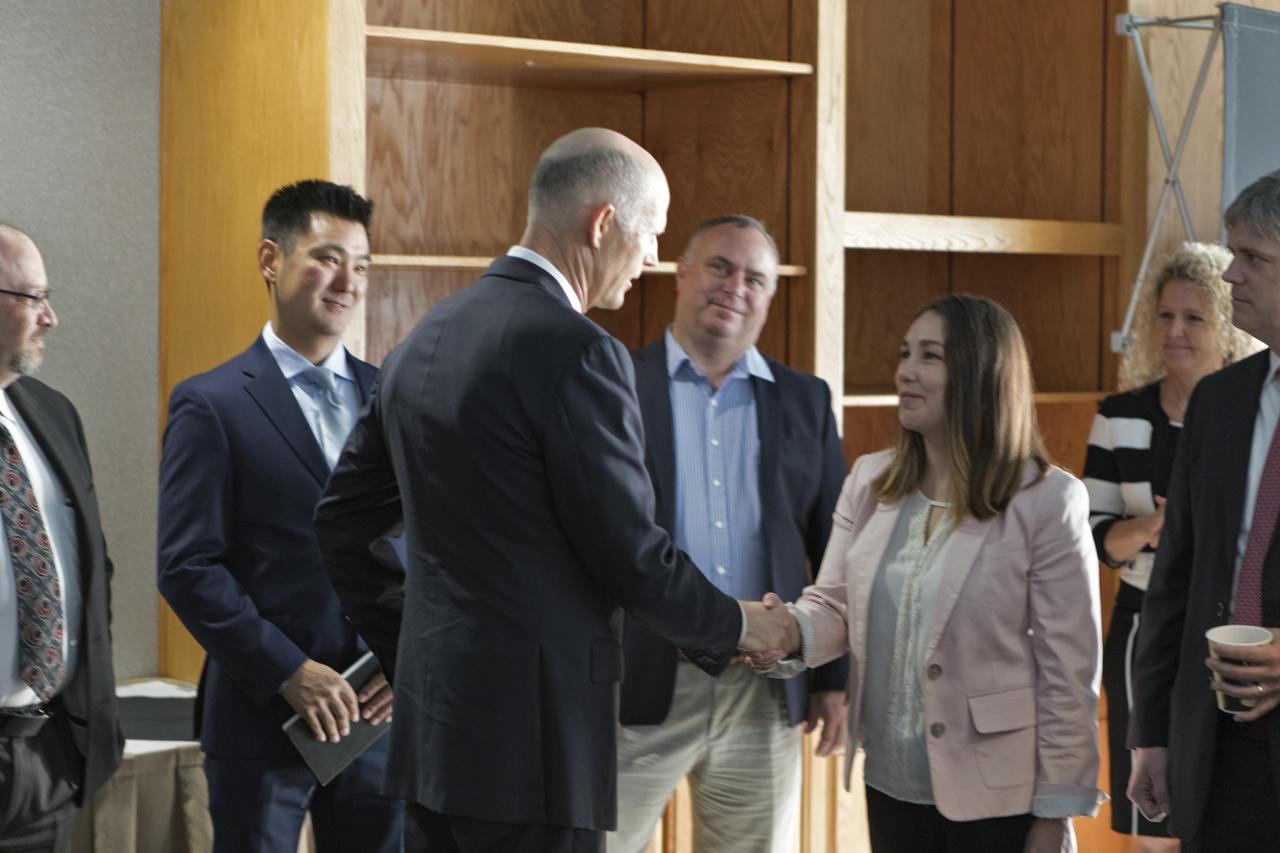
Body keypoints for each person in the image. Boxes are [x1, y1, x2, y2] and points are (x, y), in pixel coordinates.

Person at [312, 127, 796, 853]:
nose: (655, 259)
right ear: (603, 223)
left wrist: (410, 646)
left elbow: (341, 523)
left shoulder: (423, 338)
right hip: (537, 746)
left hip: (436, 737)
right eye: (651, 234)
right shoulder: (578, 350)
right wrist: (740, 625)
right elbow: (630, 552)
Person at [757, 294, 1103, 852]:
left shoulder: (1049, 499)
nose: (905, 372)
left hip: (1001, 795)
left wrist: (1057, 810)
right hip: (890, 782)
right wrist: (779, 631)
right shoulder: (870, 480)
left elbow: (1070, 670)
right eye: (904, 353)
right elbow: (834, 606)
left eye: (930, 356)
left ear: (982, 374)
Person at [155, 181, 403, 853]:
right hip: (262, 720)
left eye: (362, 264)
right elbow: (186, 565)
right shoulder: (211, 404)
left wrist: (401, 653)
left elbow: (436, 546)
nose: (348, 281)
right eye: (327, 257)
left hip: (381, 719)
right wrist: (290, 670)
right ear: (271, 259)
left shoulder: (395, 396)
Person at [608, 215, 848, 853]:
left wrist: (832, 680)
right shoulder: (613, 386)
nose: (734, 286)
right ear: (681, 273)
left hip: (762, 686)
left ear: (770, 296)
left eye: (755, 278)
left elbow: (835, 550)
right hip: (635, 680)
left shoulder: (806, 401)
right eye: (719, 266)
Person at [1083, 242, 1257, 849]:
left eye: (1193, 317)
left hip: (1234, 628)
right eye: (1164, 315)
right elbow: (1098, 538)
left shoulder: (1249, 411)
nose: (1175, 331)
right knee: (1150, 815)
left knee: (1225, 799)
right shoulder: (1119, 416)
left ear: (1226, 326)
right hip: (1141, 626)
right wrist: (1162, 528)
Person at [1129, 169, 1280, 851]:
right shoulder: (1218, 401)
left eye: (1250, 258)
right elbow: (1175, 582)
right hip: (1215, 749)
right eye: (1230, 255)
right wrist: (1152, 734)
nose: (1229, 277)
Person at [0, 225, 122, 851]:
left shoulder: (51, 412)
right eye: (33, 298)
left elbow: (91, 566)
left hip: (47, 755)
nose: (51, 317)